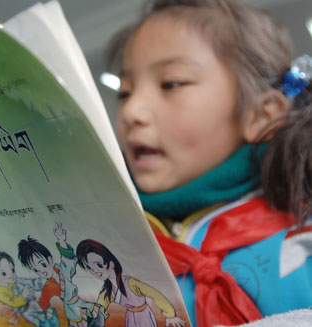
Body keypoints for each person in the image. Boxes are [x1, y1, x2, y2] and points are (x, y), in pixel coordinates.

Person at [107, 0, 311, 327]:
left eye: (171, 83)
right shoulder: (107, 251)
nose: (132, 112)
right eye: (125, 92)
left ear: (261, 114)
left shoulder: (303, 239)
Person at [76, 239, 186, 327]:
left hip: (144, 316)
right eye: (89, 268)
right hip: (130, 318)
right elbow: (100, 306)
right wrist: (90, 316)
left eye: (99, 265)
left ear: (111, 262)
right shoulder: (108, 290)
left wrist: (170, 315)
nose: (95, 271)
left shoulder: (130, 283)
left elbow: (155, 295)